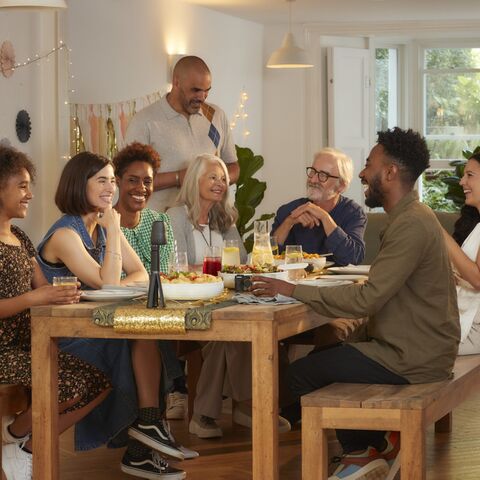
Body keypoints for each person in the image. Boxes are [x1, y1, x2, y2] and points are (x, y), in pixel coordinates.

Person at [251, 128, 460, 480]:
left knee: (300, 375)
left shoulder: (411, 224)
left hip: (413, 358)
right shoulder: (413, 217)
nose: (363, 174)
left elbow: (367, 297)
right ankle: (378, 445)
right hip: (419, 347)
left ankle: (363, 453)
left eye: (368, 164)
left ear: (390, 173)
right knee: (322, 360)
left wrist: (291, 290)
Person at [37, 152, 186, 480]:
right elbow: (108, 283)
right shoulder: (66, 235)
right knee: (138, 336)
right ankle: (146, 434)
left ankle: (146, 433)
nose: (110, 188)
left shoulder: (101, 227)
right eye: (101, 181)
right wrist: (115, 231)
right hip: (63, 339)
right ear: (80, 185)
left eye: (111, 181)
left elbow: (142, 275)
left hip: (94, 328)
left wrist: (113, 261)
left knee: (141, 330)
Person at [0, 145, 111, 480]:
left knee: (97, 382)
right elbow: (36, 294)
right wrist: (38, 297)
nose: (30, 194)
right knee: (72, 384)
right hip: (3, 352)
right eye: (21, 186)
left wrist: (64, 295)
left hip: (28, 346)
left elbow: (42, 288)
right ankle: (18, 441)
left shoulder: (19, 236)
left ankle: (17, 440)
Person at [168, 153, 260, 438]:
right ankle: (244, 407)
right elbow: (176, 267)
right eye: (213, 177)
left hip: (224, 302)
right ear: (195, 179)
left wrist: (213, 270)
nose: (221, 183)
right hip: (187, 306)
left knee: (245, 330)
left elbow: (242, 264)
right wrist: (218, 270)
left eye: (223, 178)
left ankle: (208, 415)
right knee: (228, 335)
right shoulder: (176, 216)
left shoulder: (226, 218)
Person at [112, 142, 191, 425]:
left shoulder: (160, 221)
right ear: (118, 181)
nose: (141, 188)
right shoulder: (107, 224)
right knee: (151, 326)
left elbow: (166, 273)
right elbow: (113, 282)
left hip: (159, 306)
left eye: (147, 181)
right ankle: (176, 388)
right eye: (132, 180)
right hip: (122, 312)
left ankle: (156, 421)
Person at [125, 55, 239, 212]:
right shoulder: (145, 121)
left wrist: (215, 181)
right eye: (196, 90)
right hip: (162, 223)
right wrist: (179, 177)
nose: (202, 97)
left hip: (211, 221)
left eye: (207, 91)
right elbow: (129, 180)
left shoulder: (216, 115)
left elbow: (233, 166)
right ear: (176, 82)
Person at [271, 147, 366, 266]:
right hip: (294, 281)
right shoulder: (289, 210)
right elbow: (268, 258)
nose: (313, 179)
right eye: (312, 172)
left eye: (323, 175)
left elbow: (353, 258)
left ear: (341, 185)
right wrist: (289, 222)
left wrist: (325, 217)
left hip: (335, 283)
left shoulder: (353, 213)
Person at [443, 152, 480, 355]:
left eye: (470, 175)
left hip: (474, 330)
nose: (462, 181)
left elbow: (478, 279)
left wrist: (438, 231)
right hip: (459, 317)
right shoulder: (475, 225)